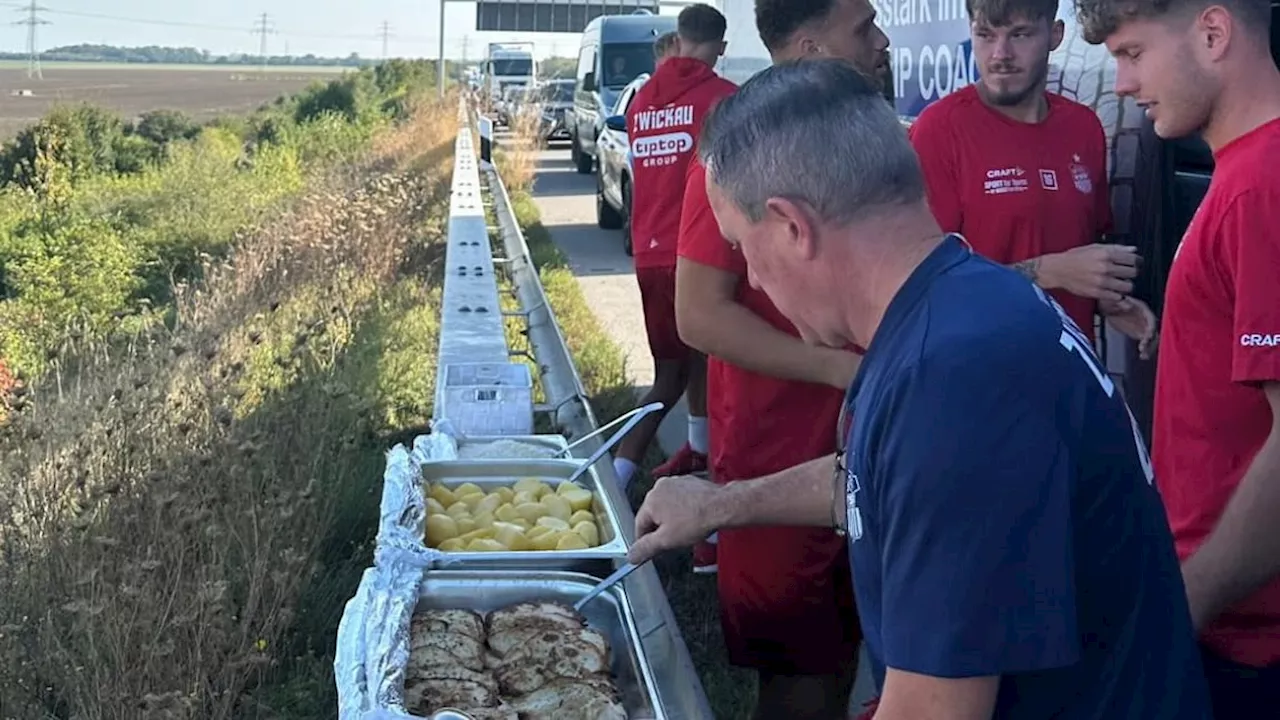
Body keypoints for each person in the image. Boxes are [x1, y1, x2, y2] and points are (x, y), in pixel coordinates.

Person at [640, 58, 1212, 720]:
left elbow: (934, 711)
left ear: (793, 227)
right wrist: (719, 505)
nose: (756, 283)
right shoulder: (954, 300)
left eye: (744, 250)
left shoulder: (955, 379)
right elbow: (883, 476)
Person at [672, 0, 889, 715]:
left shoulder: (861, 147)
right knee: (802, 682)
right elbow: (698, 314)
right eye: (861, 28)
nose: (881, 44)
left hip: (864, 451)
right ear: (809, 48)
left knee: (851, 654)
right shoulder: (739, 152)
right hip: (777, 461)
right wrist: (838, 370)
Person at [1074, 0, 1280, 714]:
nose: (1121, 83)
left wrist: (1180, 608)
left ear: (1213, 32)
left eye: (1132, 53)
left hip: (1248, 643)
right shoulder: (1247, 172)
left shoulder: (1262, 186)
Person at [907, 0, 1157, 353]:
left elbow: (1079, 249)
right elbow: (924, 286)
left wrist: (1107, 299)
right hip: (979, 375)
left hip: (1069, 375)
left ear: (1055, 35)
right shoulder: (938, 130)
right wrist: (1050, 272)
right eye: (985, 35)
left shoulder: (1083, 128)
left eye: (1020, 34)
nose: (1000, 54)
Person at [617, 5, 733, 575]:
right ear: (714, 43)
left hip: (649, 253)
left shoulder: (641, 101)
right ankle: (709, 536)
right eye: (720, 48)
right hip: (699, 256)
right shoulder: (722, 98)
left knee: (670, 373)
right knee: (720, 378)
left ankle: (615, 481)